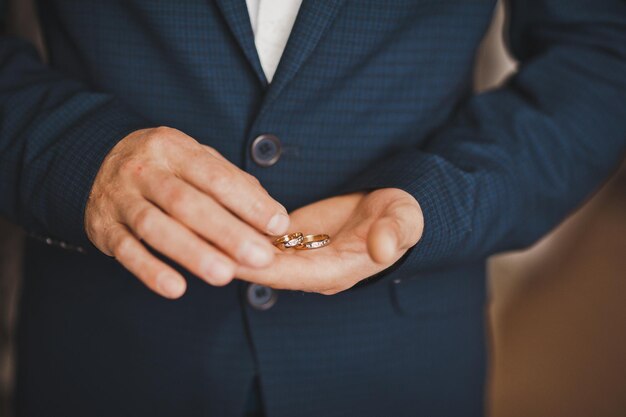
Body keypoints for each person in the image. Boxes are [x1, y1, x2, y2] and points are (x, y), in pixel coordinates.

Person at [1, 1, 625, 416]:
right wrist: (78, 156)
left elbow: (602, 53)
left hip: (400, 366)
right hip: (108, 361)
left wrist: (437, 199)